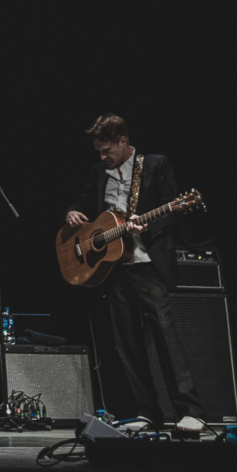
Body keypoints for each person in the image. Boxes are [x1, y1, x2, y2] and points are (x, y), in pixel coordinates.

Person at [64, 114, 205, 433]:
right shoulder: (98, 172)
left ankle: (190, 409)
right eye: (99, 152)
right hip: (114, 269)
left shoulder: (155, 165)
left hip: (147, 264)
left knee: (166, 336)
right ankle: (148, 411)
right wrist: (72, 212)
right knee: (127, 344)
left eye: (107, 151)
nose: (102, 158)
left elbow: (173, 209)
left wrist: (148, 224)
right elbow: (85, 205)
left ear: (124, 142)